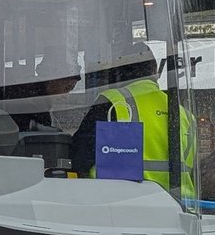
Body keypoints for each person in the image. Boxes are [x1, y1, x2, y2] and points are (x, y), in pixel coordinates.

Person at [70, 40, 197, 198]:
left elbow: (79, 157)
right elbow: (194, 172)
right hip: (177, 206)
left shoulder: (112, 102)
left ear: (120, 73)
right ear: (155, 71)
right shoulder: (185, 116)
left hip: (122, 203)